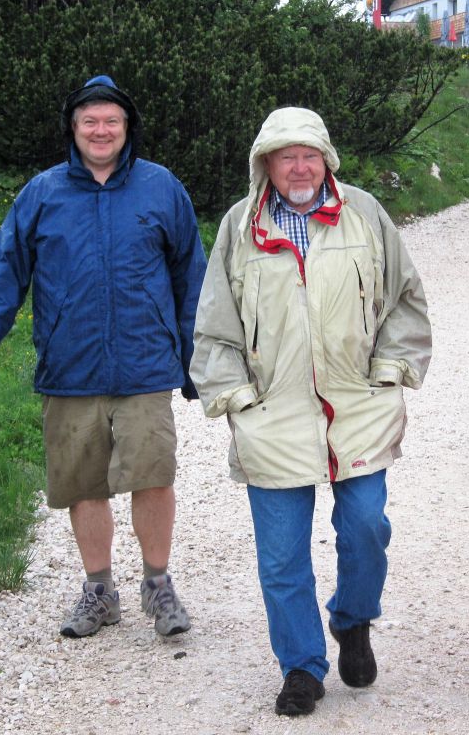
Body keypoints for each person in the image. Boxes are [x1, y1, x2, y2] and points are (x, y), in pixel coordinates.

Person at [190, 107, 432, 716]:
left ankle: (353, 619)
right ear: (264, 165)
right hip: (273, 413)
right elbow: (215, 325)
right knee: (281, 555)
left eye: (309, 155)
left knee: (367, 527)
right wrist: (237, 399)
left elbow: (404, 300)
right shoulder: (238, 227)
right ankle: (301, 665)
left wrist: (389, 373)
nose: (299, 167)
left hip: (357, 405)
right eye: (284, 156)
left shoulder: (365, 212)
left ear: (327, 159)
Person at [0, 74, 206, 639]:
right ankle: (99, 590)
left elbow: (193, 281)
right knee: (82, 484)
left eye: (111, 120)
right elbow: (1, 281)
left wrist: (197, 366)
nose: (100, 130)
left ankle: (158, 585)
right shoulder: (41, 195)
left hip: (144, 367)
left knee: (153, 475)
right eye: (89, 120)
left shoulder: (162, 188)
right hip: (69, 370)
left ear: (126, 128)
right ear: (73, 129)